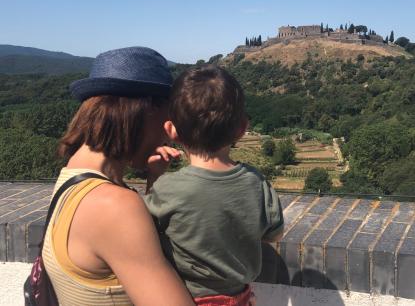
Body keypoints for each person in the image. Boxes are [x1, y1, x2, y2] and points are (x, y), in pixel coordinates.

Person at [43, 47, 195, 306]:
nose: (167, 134)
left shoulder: (72, 178)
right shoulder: (113, 206)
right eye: (167, 119)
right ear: (144, 113)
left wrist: (153, 182)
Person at [144, 64, 284, 305]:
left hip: (184, 297)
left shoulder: (168, 188)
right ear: (241, 129)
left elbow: (145, 231)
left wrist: (154, 177)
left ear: (171, 131)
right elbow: (274, 234)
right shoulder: (256, 181)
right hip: (240, 298)